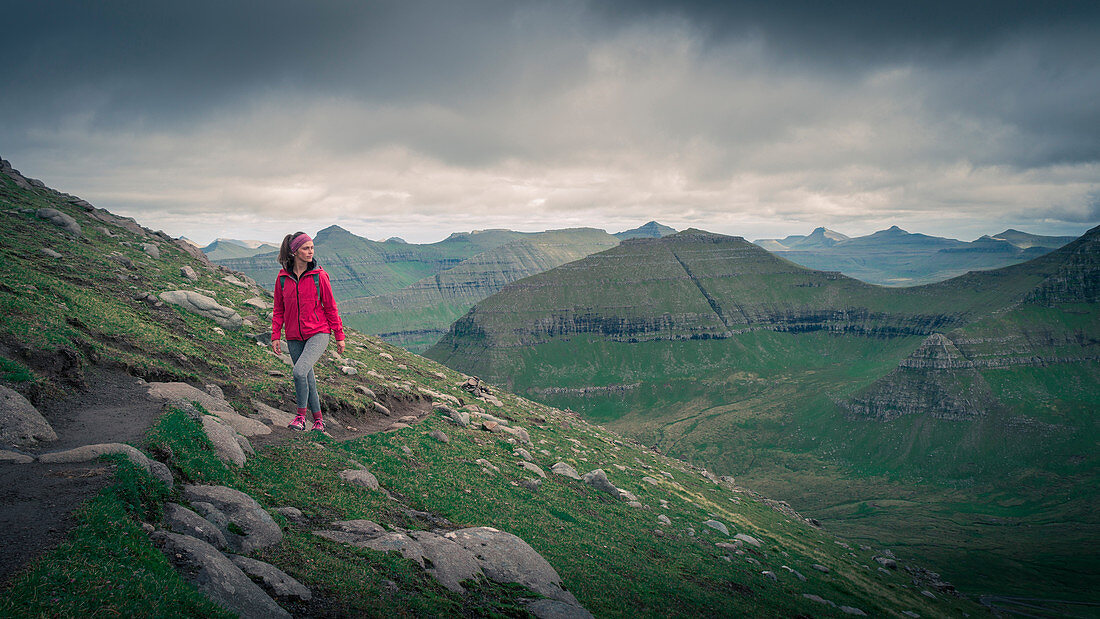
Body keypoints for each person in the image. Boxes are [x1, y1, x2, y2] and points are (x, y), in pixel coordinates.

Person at [270, 231, 346, 431]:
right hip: (294, 336)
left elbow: (331, 307)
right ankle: (319, 421)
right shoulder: (283, 279)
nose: (311, 251)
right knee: (307, 377)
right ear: (295, 251)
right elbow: (278, 309)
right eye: (306, 248)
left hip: (319, 333)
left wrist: (339, 336)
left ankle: (300, 417)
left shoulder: (319, 276)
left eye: (312, 247)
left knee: (299, 371)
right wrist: (275, 335)